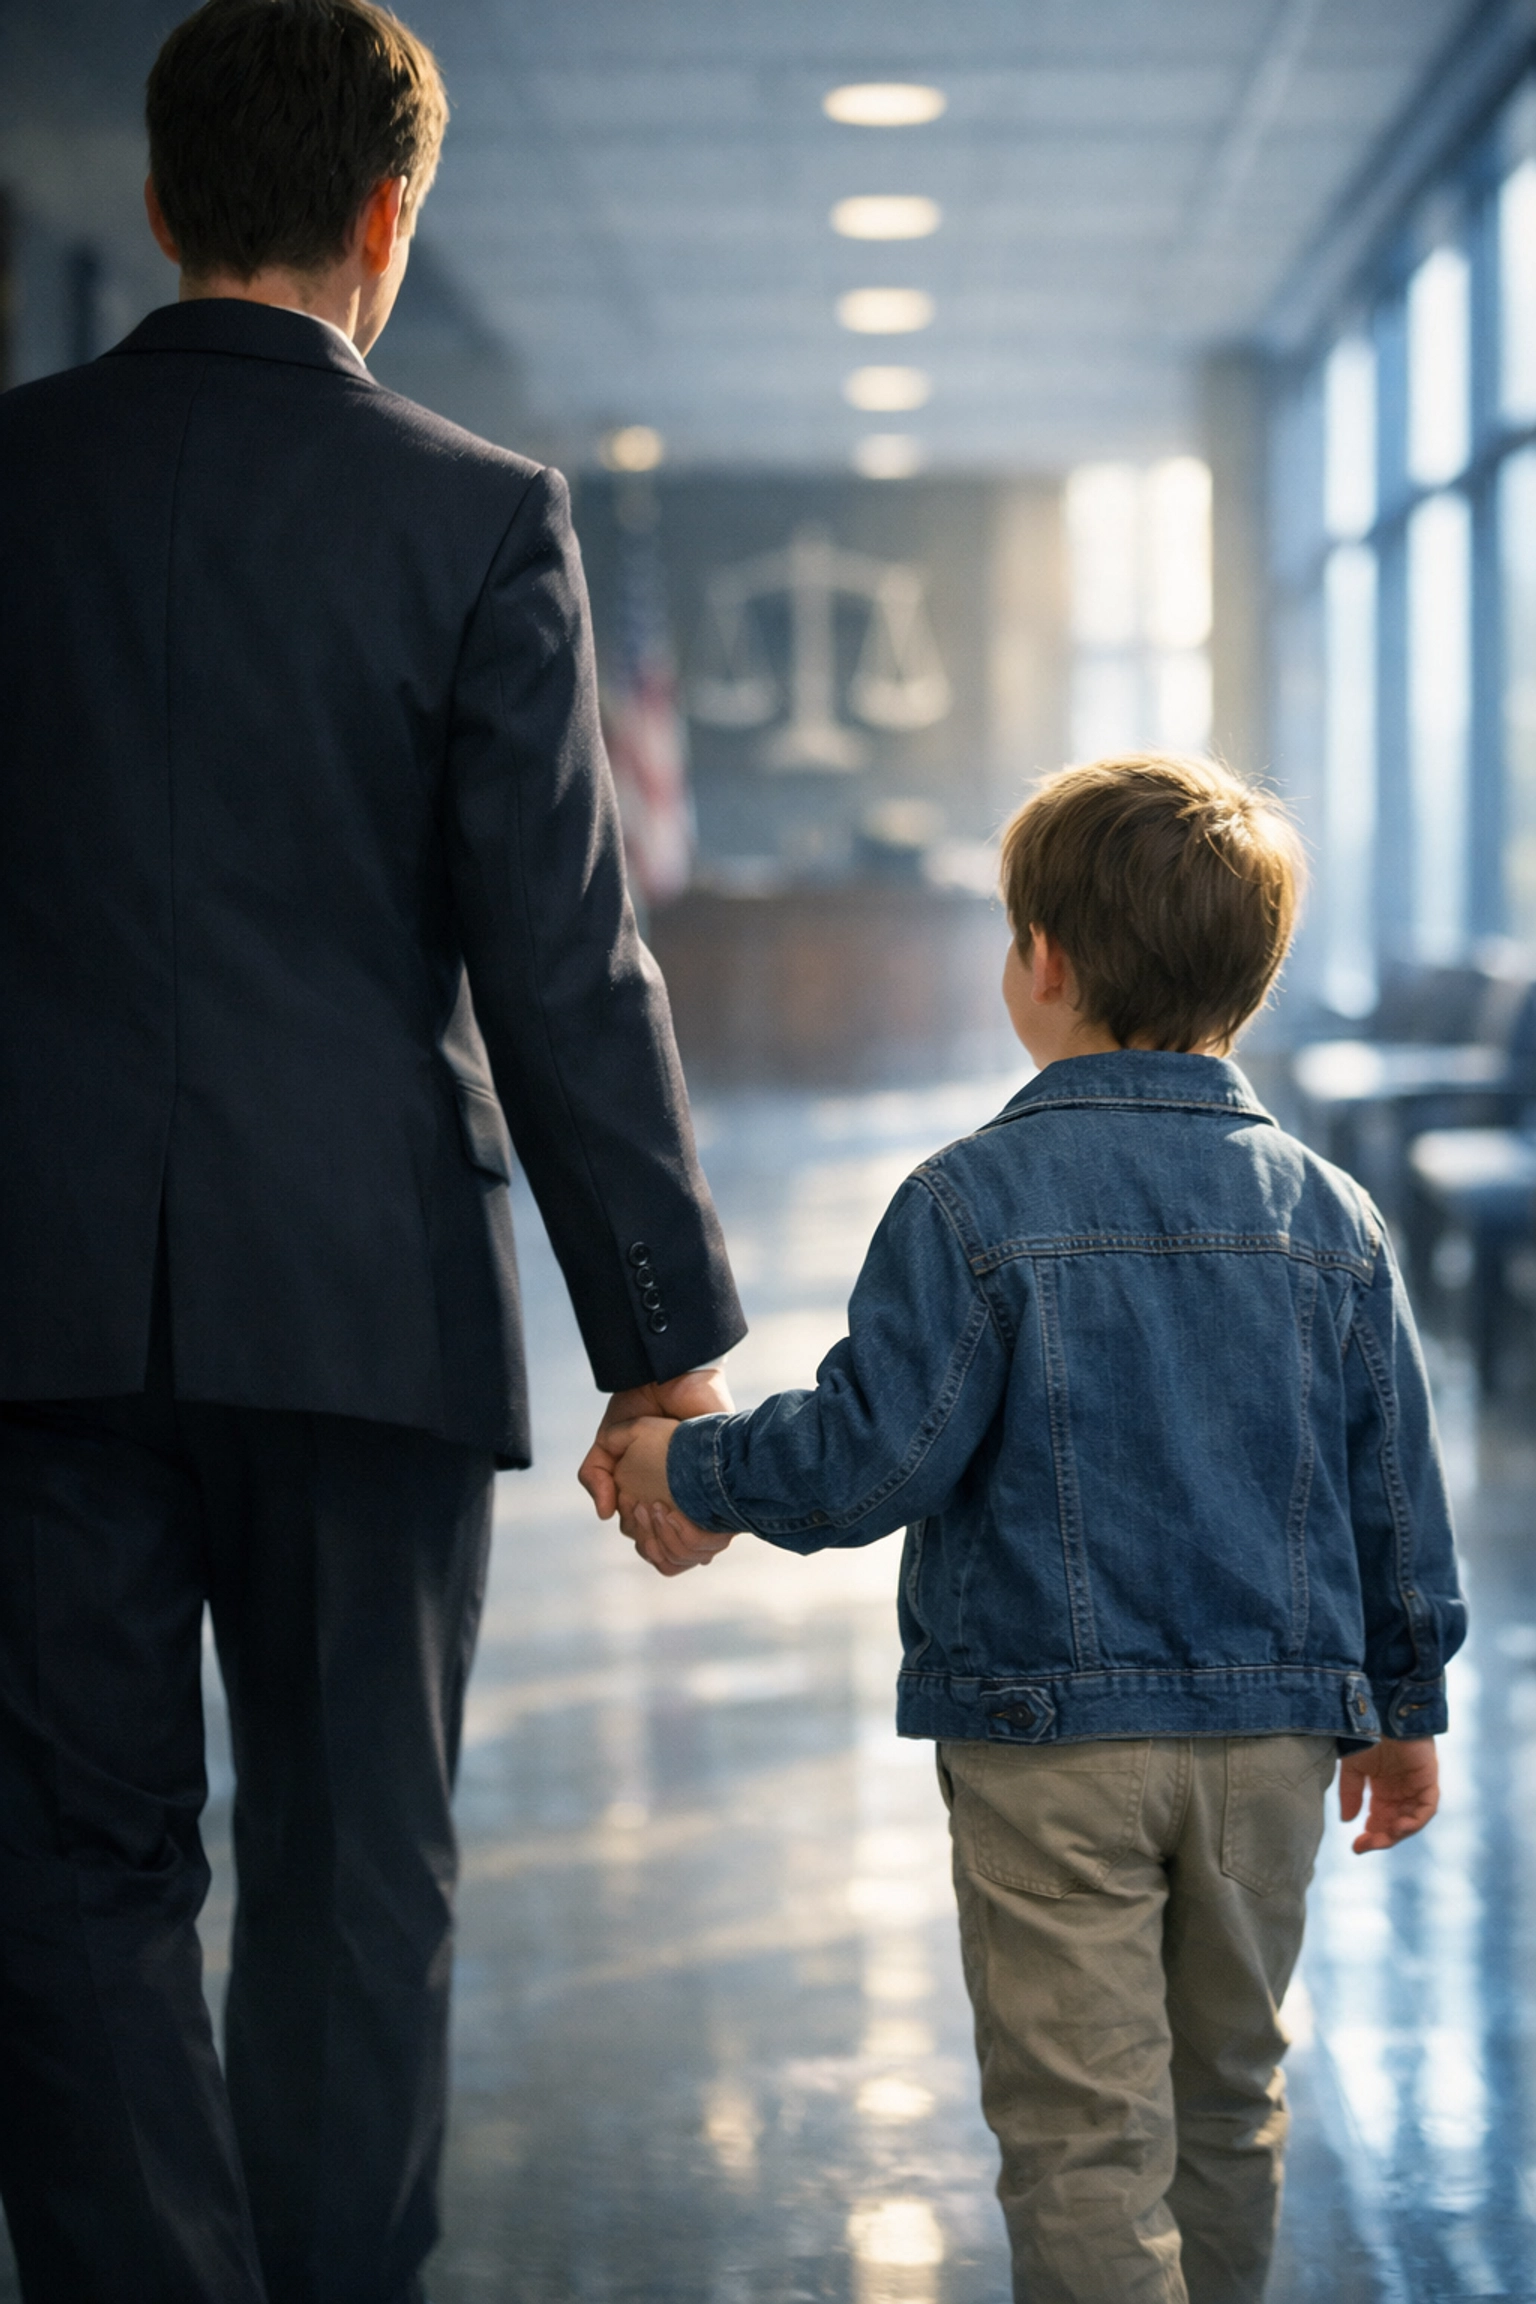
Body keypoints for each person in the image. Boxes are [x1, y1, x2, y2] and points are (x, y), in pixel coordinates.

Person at [0, 2, 744, 2298]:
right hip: (361, 1302)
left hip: (27, 1302)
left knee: (63, 1871)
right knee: (354, 1873)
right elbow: (562, 963)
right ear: (387, 218)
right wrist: (665, 1350)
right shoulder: (474, 518)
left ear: (155, 204)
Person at [602, 753, 1464, 2304]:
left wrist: (693, 1468)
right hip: (1277, 1743)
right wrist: (1405, 1710)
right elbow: (1392, 1488)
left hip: (1047, 1740)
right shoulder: (1335, 1216)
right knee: (1230, 2101)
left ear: (1043, 963)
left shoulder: (971, 1202)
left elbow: (876, 1461)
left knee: (1081, 2138)